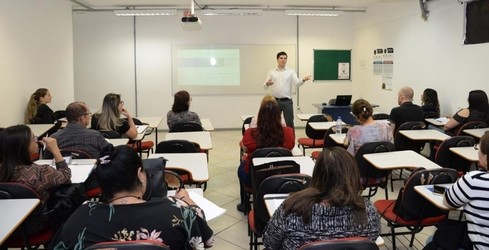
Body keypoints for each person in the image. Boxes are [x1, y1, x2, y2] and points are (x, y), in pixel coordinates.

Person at [51, 145, 214, 250]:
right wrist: (188, 201)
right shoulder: (177, 210)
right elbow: (206, 241)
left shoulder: (81, 217)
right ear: (140, 175)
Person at [263, 147, 380, 249]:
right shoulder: (368, 211)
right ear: (353, 175)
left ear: (318, 174)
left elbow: (269, 242)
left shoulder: (293, 208)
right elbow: (372, 240)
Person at [237, 99, 295, 212]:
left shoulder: (250, 133)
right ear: (279, 116)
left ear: (260, 115)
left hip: (254, 177)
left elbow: (244, 148)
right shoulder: (288, 132)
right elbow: (291, 148)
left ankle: (245, 204)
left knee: (242, 167)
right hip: (282, 177)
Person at [0, 124, 71, 203]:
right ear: (23, 146)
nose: (37, 140)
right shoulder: (42, 171)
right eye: (33, 138)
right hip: (40, 212)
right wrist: (55, 150)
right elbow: (66, 177)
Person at [442, 131, 489, 248]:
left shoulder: (474, 180)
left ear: (486, 157)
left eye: (478, 148)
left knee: (434, 240)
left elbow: (447, 202)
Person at [264, 51, 311, 129]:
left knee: (289, 123)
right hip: (275, 101)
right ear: (277, 60)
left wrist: (303, 80)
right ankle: (275, 141)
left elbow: (297, 83)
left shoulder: (291, 71)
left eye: (285, 58)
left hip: (287, 102)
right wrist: (267, 84)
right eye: (281, 58)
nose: (283, 60)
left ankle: (291, 141)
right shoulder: (271, 72)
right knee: (274, 123)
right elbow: (264, 86)